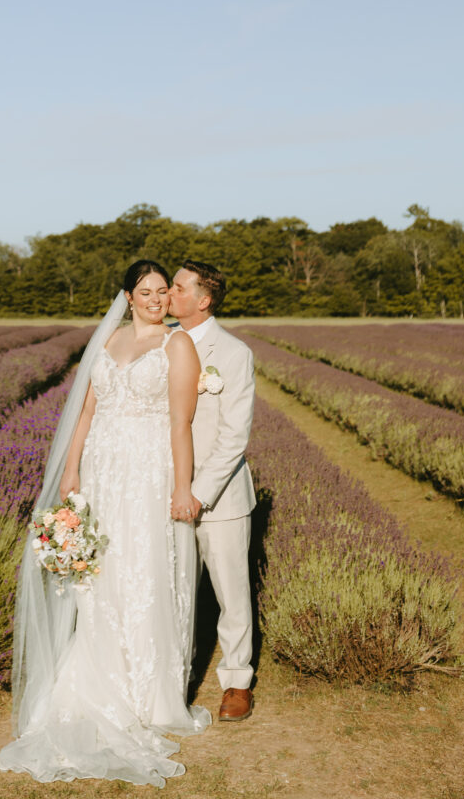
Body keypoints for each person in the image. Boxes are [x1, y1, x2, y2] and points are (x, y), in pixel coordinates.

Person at [0, 260, 210, 787]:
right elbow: (86, 412)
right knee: (100, 576)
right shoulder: (109, 339)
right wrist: (71, 471)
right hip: (100, 473)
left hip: (147, 473)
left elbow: (180, 422)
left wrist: (182, 488)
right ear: (128, 297)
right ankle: (98, 676)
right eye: (146, 291)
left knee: (145, 572)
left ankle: (148, 694)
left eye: (163, 291)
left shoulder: (177, 346)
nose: (157, 298)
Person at [168, 260, 256, 722]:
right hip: (166, 493)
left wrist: (197, 493)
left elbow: (234, 437)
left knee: (230, 592)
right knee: (173, 592)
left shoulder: (234, 352)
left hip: (219, 497)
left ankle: (237, 681)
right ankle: (173, 676)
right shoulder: (159, 343)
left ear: (203, 300)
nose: (168, 294)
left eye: (179, 288)